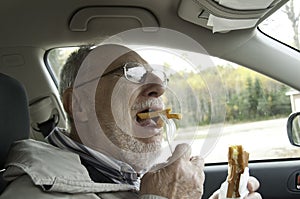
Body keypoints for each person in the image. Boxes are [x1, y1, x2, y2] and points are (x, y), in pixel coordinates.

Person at [0, 44, 262, 199]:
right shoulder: (34, 193)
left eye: (159, 76)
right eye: (133, 73)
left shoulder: (117, 174)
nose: (159, 87)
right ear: (79, 104)